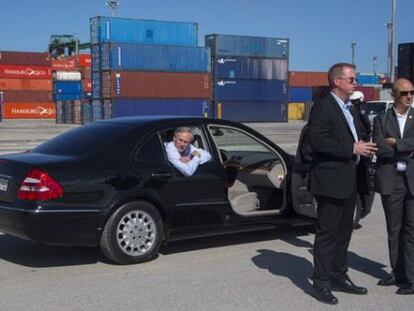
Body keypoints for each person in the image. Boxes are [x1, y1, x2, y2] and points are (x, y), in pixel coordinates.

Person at [308, 63, 377, 304]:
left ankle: (339, 275)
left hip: (350, 180)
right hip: (330, 182)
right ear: (337, 81)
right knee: (327, 234)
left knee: (344, 232)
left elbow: (359, 135)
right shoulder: (322, 108)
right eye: (351, 79)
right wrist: (352, 148)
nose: (355, 82)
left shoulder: (351, 109)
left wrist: (366, 146)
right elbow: (317, 141)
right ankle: (322, 282)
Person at [373, 78, 414, 295]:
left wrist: (397, 143)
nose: (409, 96)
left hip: (412, 179)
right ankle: (397, 271)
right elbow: (380, 148)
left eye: (412, 92)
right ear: (394, 96)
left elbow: (391, 146)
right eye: (404, 93)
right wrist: (408, 149)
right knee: (394, 229)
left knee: (411, 229)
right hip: (391, 180)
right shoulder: (381, 119)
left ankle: (411, 277)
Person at [349, 90, 373, 229]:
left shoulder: (360, 111)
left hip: (361, 149)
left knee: (362, 180)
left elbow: (366, 129)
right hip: (359, 148)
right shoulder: (355, 111)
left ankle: (358, 211)